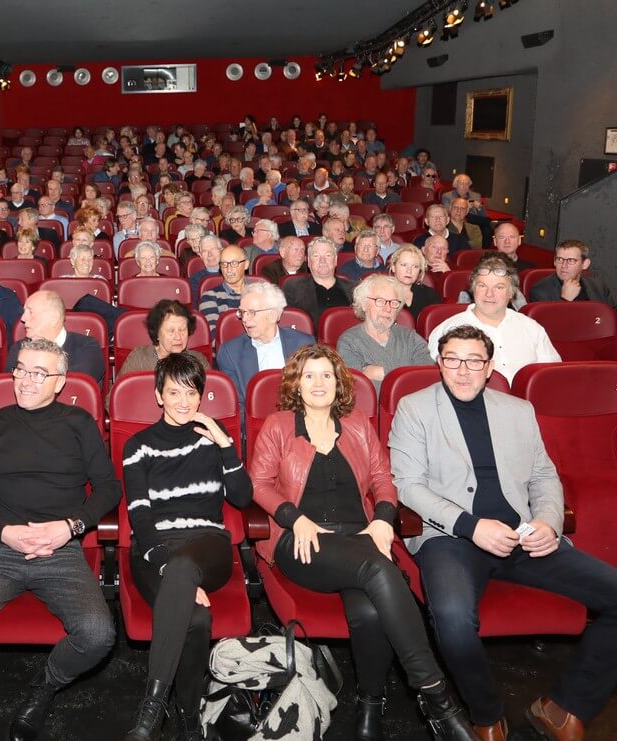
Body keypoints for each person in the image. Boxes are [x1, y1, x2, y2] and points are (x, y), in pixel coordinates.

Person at [390, 325, 617, 740]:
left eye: (474, 361)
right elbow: (409, 485)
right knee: (454, 621)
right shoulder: (414, 407)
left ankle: (565, 709)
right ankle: (487, 714)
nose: (462, 370)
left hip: (521, 536)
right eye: (452, 359)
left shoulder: (517, 410)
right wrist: (472, 527)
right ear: (438, 363)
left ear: (489, 366)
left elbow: (543, 474)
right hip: (451, 537)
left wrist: (547, 520)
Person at [250, 345, 476, 741]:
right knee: (378, 568)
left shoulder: (356, 424)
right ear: (296, 385)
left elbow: (383, 479)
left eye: (326, 375)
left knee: (370, 613)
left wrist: (383, 522)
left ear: (339, 384)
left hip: (358, 536)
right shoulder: (279, 424)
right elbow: (258, 484)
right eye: (309, 376)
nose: (318, 383)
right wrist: (294, 518)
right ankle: (436, 696)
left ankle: (370, 703)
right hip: (303, 541)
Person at [0, 338, 121, 741]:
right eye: (20, 369)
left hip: (59, 550)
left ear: (60, 382)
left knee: (98, 634)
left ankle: (44, 686)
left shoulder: (78, 423)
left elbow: (108, 489)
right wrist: (4, 532)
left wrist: (70, 526)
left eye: (38, 373)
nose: (25, 380)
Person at [121, 354, 252, 740]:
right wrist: (171, 566)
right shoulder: (138, 446)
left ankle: (151, 708)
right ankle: (189, 718)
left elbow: (243, 498)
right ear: (158, 395)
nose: (183, 401)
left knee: (184, 569)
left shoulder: (213, 443)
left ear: (202, 396)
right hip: (154, 550)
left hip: (207, 545)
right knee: (195, 619)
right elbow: (141, 518)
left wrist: (224, 441)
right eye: (173, 392)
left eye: (191, 393)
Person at [426, 257, 560, 382]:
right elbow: (432, 380)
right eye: (482, 286)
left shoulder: (532, 328)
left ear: (511, 293)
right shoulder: (448, 329)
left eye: (499, 287)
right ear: (473, 289)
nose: (489, 294)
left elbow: (550, 378)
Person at [215, 281, 314, 407]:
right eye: (242, 312)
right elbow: (237, 407)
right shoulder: (230, 353)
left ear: (273, 315)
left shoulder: (304, 344)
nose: (244, 319)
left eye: (251, 312)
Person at [337, 275, 433, 389]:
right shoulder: (349, 341)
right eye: (380, 301)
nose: (388, 309)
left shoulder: (409, 337)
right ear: (364, 304)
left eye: (393, 303)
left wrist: (376, 372)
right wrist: (407, 372)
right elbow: (357, 387)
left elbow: (427, 374)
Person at [6, 290, 106, 387]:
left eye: (30, 312)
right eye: (24, 312)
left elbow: (77, 386)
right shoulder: (19, 349)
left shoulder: (87, 347)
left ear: (54, 318)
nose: (23, 318)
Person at [117, 299, 207, 377]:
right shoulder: (139, 360)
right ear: (157, 334)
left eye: (182, 330)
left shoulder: (199, 361)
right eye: (171, 331)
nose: (178, 337)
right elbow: (116, 395)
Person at [284, 237, 355, 326]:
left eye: (328, 255)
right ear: (309, 262)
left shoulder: (353, 289)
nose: (322, 261)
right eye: (316, 256)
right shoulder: (293, 287)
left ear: (335, 260)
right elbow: (289, 325)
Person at [529, 239, 617, 307]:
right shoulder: (540, 291)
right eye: (559, 259)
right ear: (554, 262)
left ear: (585, 264)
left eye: (571, 260)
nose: (563, 265)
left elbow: (611, 317)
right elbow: (548, 325)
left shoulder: (598, 287)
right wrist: (565, 300)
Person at [198, 244, 250, 329]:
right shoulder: (210, 297)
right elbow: (214, 337)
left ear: (246, 264)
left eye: (234, 263)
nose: (228, 269)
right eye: (224, 264)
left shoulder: (260, 293)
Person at [389, 245, 442, 322]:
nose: (409, 271)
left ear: (419, 271)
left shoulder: (430, 294)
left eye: (415, 266)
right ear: (393, 267)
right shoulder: (381, 293)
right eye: (404, 265)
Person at [187, 234, 224, 303]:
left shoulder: (233, 273)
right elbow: (196, 307)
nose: (210, 254)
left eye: (213, 249)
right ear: (200, 255)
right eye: (205, 251)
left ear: (221, 251)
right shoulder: (194, 280)